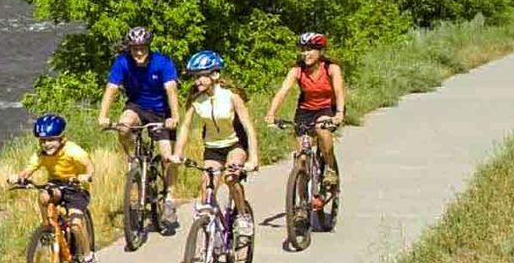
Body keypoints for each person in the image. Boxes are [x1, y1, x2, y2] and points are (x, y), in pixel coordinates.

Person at [169, 50, 260, 236]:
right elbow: (185, 127)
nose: (197, 81)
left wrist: (254, 159)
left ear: (215, 74)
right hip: (213, 148)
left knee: (230, 177)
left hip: (235, 144)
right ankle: (214, 232)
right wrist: (177, 154)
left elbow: (248, 127)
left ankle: (243, 215)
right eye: (195, 77)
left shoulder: (231, 96)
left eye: (201, 76)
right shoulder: (196, 100)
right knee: (206, 191)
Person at [96, 25, 183, 216]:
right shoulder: (122, 63)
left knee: (167, 157)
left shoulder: (162, 62)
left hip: (161, 111)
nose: (138, 52)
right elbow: (111, 88)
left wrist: (174, 117)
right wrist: (103, 115)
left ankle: (169, 195)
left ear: (148, 46)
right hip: (137, 106)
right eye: (134, 48)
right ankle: (132, 158)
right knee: (123, 126)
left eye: (142, 47)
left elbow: (171, 90)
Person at [5, 114, 99, 263]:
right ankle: (48, 227)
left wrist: (86, 176)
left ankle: (87, 257)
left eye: (51, 140)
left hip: (76, 187)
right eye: (42, 140)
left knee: (76, 224)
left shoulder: (73, 151)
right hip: (57, 185)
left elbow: (89, 167)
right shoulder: (41, 154)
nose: (46, 144)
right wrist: (20, 177)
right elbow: (29, 169)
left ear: (62, 139)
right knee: (43, 195)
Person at [265, 32, 344, 191]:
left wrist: (339, 113)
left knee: (322, 130)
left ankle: (330, 168)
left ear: (320, 51)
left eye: (310, 50)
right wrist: (271, 114)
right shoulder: (297, 70)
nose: (306, 54)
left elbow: (339, 91)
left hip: (327, 108)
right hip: (305, 110)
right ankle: (300, 205)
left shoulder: (331, 68)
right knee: (301, 160)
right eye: (303, 50)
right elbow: (283, 91)